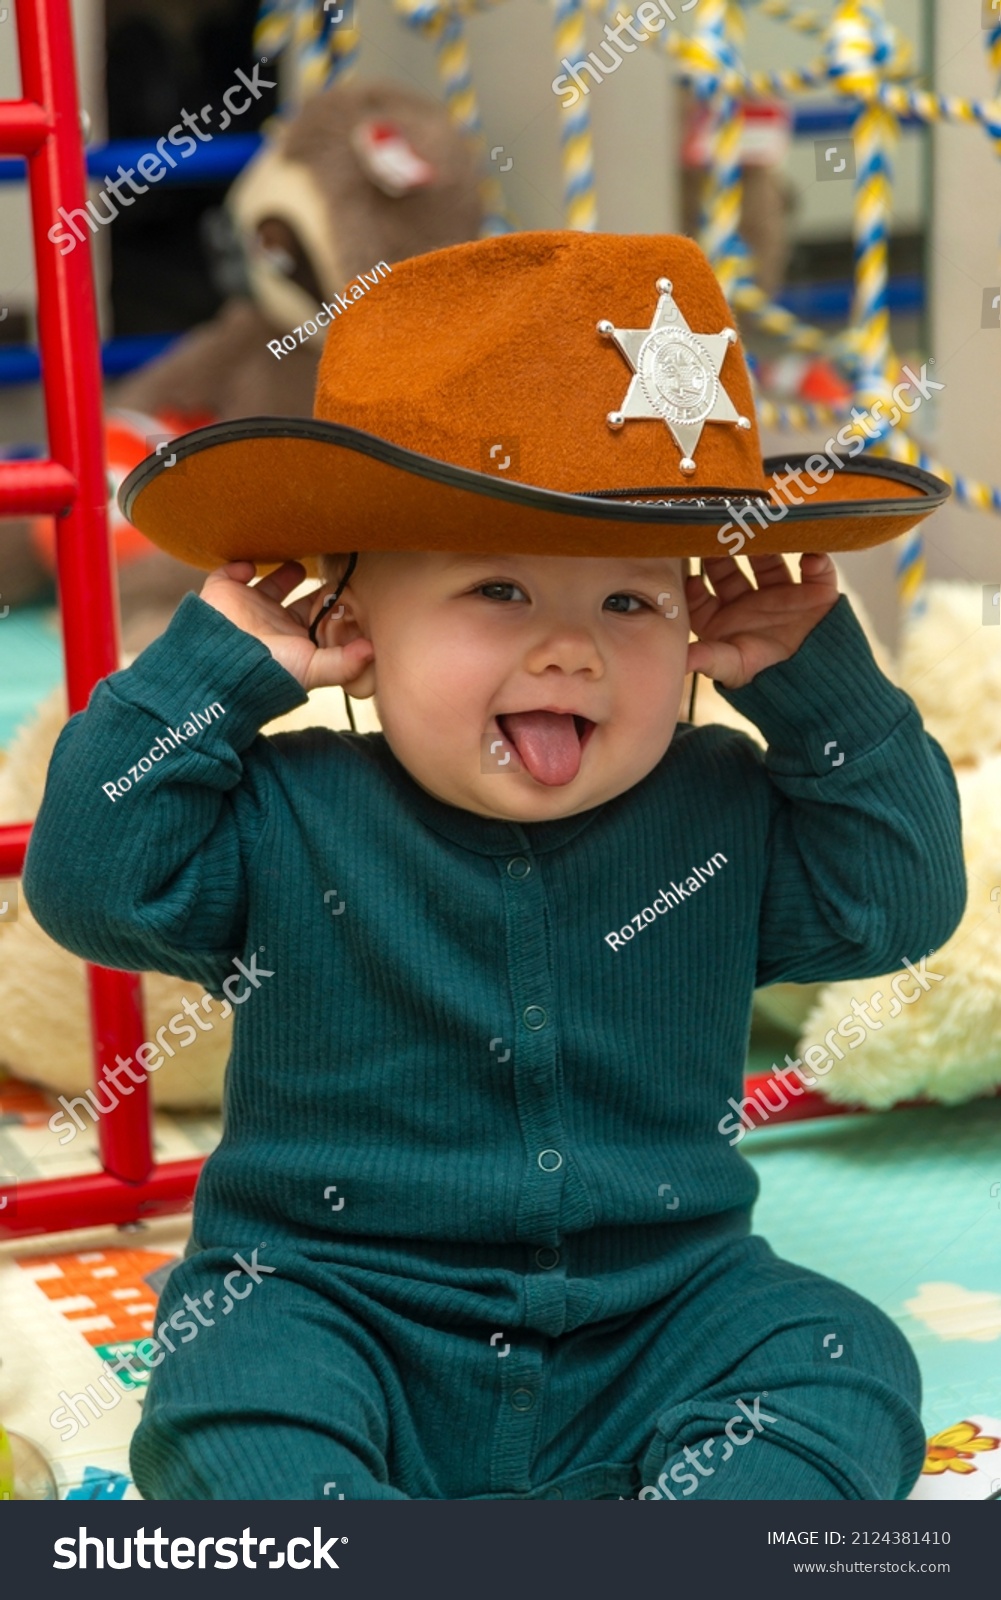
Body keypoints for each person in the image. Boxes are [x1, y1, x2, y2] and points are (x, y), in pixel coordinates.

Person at [24, 230, 965, 1500]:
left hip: (659, 1315)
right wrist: (216, 670)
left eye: (630, 603)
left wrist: (818, 678)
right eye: (499, 592)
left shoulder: (719, 810)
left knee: (842, 1362)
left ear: (698, 629)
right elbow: (88, 873)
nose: (572, 649)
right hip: (335, 1304)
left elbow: (899, 900)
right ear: (349, 627)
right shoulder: (288, 809)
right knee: (227, 1392)